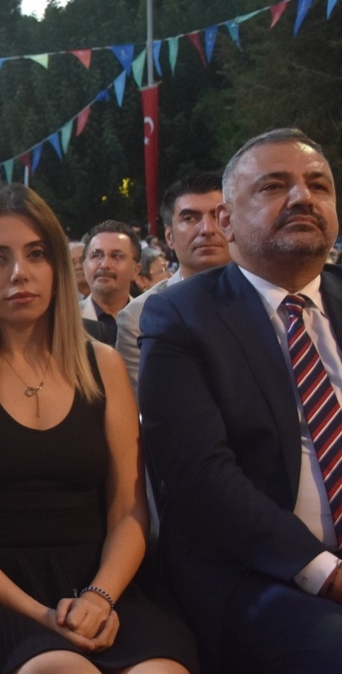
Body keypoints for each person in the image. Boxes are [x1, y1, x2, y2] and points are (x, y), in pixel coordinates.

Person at [0, 184, 197, 674]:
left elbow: (129, 511)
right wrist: (42, 615)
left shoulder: (104, 364)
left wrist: (100, 596)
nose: (19, 273)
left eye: (36, 254)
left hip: (101, 581)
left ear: (58, 268)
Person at [139, 129, 342, 673]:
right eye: (274, 186)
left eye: (318, 185)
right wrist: (326, 571)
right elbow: (201, 475)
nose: (302, 198)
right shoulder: (182, 316)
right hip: (259, 574)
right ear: (227, 222)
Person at [115, 172, 228, 392]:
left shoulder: (266, 296)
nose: (207, 229)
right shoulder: (138, 317)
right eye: (190, 219)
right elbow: (147, 403)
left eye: (217, 216)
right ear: (169, 236)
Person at [80, 221, 142, 345]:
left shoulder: (150, 319)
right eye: (96, 255)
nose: (105, 265)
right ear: (84, 266)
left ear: (136, 270)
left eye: (117, 256)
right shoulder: (65, 320)